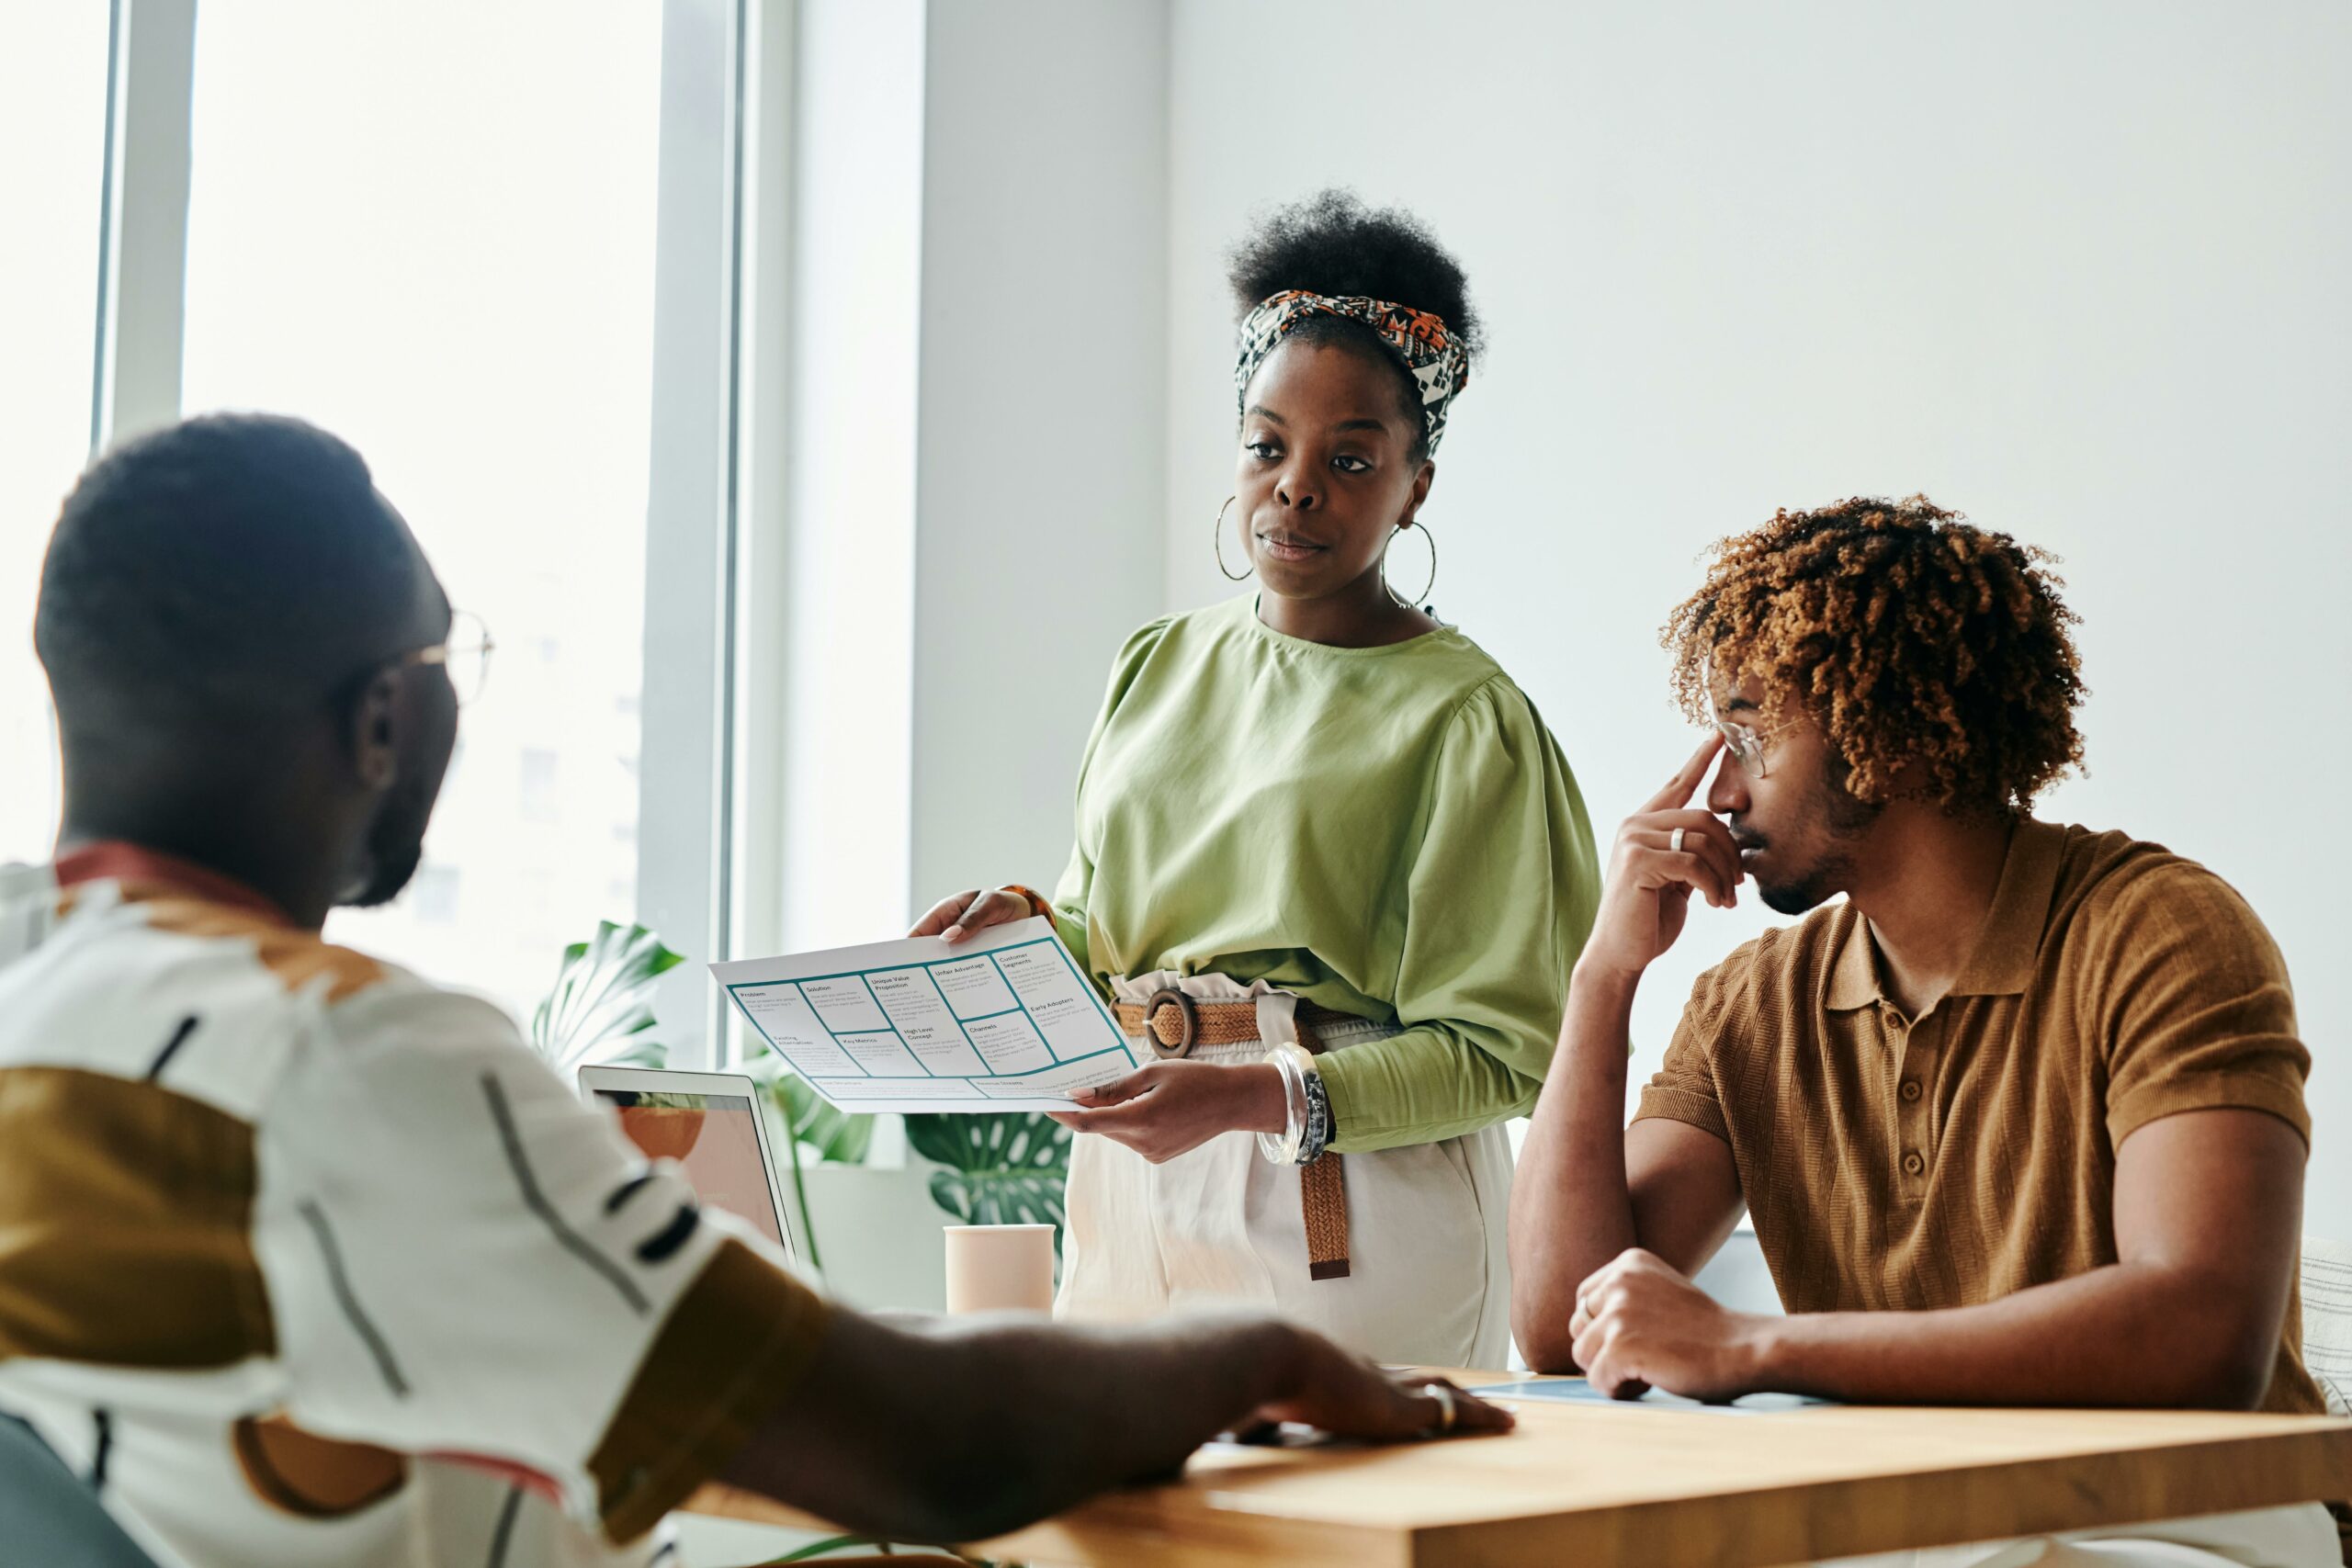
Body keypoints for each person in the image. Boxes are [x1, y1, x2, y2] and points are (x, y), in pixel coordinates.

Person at [0, 414, 1509, 1568]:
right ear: (386, 714)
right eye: (453, 654)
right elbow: (929, 1453)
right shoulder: (361, 1065)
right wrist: (1272, 1353)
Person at [1509, 495, 2346, 1568]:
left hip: (2181, 1523)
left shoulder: (2163, 933)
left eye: (1750, 730)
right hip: (1906, 1526)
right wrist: (1602, 977)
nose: (1719, 789)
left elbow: (2200, 1332)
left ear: (1887, 736)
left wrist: (1745, 1344)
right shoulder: (1752, 1007)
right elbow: (1562, 1328)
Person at [913, 191, 1600, 1368]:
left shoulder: (1465, 718)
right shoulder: (1159, 662)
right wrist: (1024, 928)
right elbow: (1107, 925)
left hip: (1347, 1214)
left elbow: (1503, 1051)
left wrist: (1247, 1097)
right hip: (1127, 1186)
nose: (1296, 486)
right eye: (1266, 445)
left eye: (1349, 458)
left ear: (1414, 484)